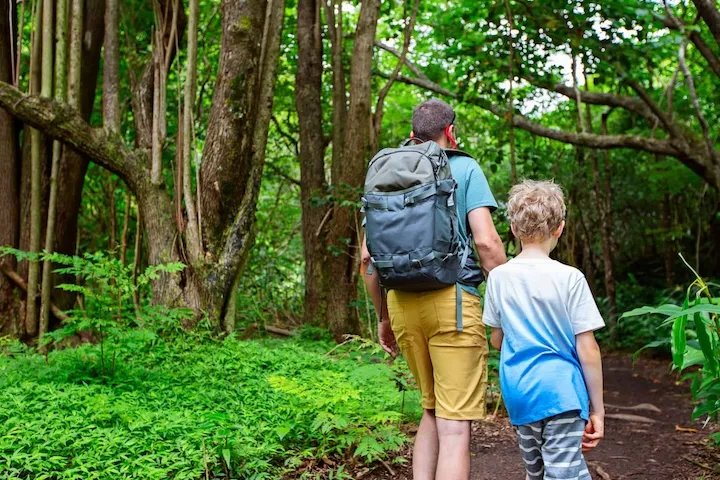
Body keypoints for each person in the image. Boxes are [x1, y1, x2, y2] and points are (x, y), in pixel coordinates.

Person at [361, 98, 506, 480]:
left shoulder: (387, 174)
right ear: (450, 133)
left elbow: (367, 259)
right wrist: (510, 303)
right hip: (453, 304)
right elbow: (488, 244)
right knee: (455, 425)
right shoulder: (465, 167)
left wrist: (383, 317)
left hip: (402, 305)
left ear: (412, 134)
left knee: (430, 410)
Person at [482, 180, 605, 480]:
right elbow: (587, 348)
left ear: (513, 229)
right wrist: (597, 409)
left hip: (520, 393)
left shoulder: (498, 278)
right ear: (559, 228)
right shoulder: (570, 278)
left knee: (536, 472)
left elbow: (497, 340)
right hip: (562, 392)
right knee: (563, 472)